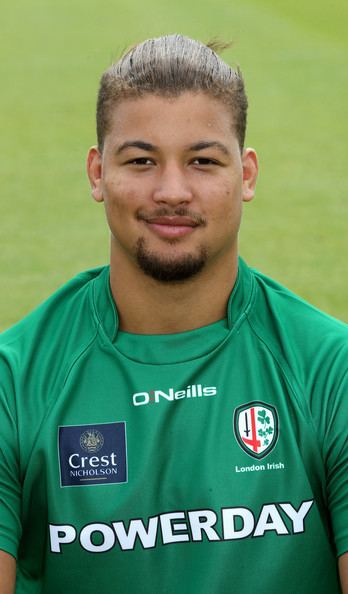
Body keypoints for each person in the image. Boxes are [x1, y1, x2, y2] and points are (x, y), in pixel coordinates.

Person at [0, 34, 347, 594]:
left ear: (247, 174)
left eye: (203, 161)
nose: (172, 190)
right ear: (96, 172)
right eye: (141, 160)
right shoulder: (15, 381)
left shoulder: (331, 371)